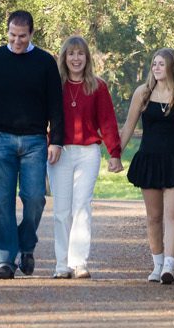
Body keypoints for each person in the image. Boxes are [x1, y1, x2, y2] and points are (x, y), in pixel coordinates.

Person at [0, 9, 64, 279]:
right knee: (3, 201)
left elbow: (56, 105)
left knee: (34, 199)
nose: (17, 41)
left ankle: (26, 244)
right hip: (1, 139)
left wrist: (55, 140)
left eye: (22, 36)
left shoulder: (45, 62)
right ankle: (4, 259)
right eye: (12, 35)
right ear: (7, 31)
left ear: (32, 34)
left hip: (35, 141)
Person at [118, 47, 174, 285]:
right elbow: (129, 126)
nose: (156, 68)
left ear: (172, 67)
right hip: (150, 160)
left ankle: (169, 267)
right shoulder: (143, 93)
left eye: (161, 64)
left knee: (173, 215)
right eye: (154, 64)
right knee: (154, 216)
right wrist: (116, 155)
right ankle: (156, 264)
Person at [50, 35, 122, 279]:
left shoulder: (98, 86)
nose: (76, 58)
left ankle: (78, 262)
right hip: (60, 151)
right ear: (64, 57)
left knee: (81, 207)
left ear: (87, 57)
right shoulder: (55, 85)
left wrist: (114, 152)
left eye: (80, 53)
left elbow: (108, 121)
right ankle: (62, 264)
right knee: (61, 210)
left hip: (88, 152)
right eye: (71, 54)